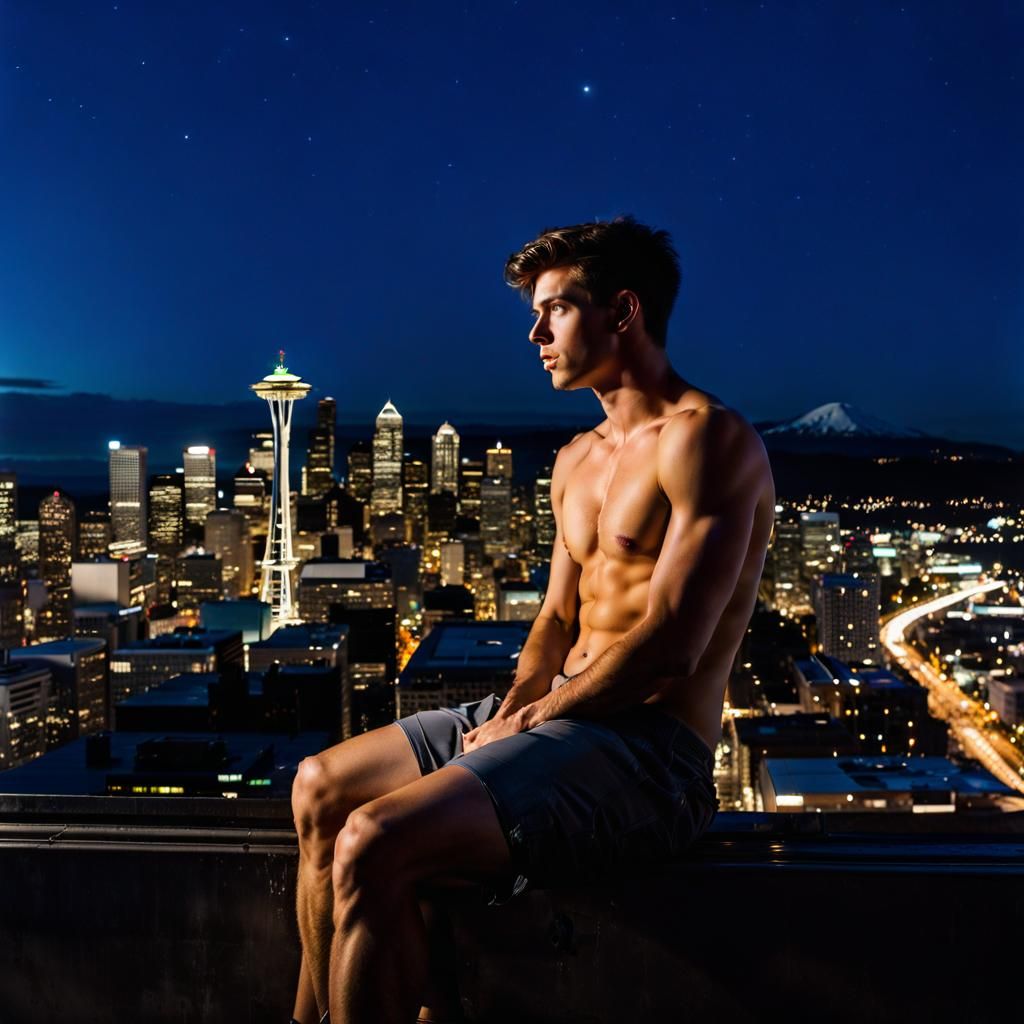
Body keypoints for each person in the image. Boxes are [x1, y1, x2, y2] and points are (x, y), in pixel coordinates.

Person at [288, 215, 776, 1024]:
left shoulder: (707, 440)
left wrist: (535, 718)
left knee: (374, 840)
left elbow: (672, 647)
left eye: (555, 309)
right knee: (319, 791)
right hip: (557, 725)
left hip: (651, 756)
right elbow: (554, 617)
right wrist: (519, 706)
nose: (534, 333)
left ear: (622, 312)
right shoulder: (576, 459)